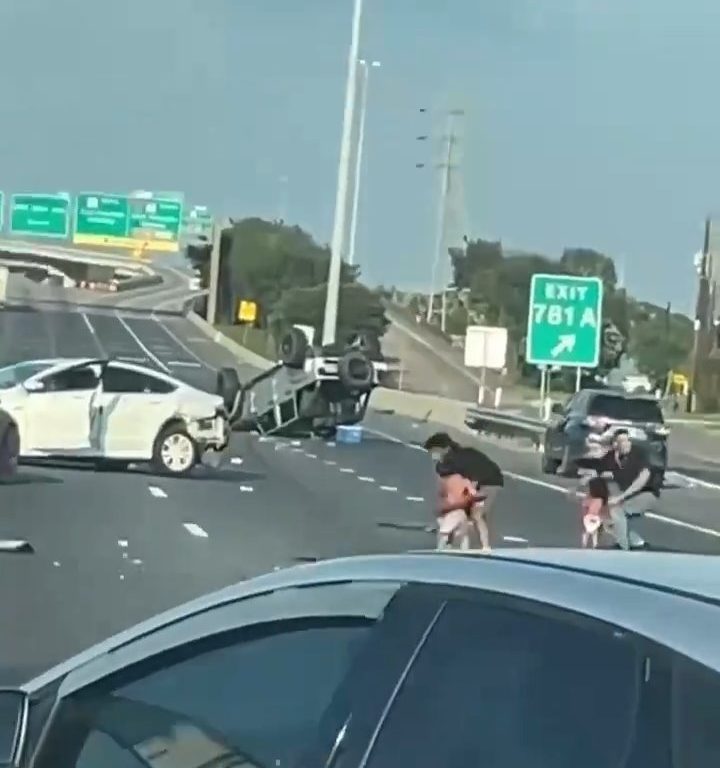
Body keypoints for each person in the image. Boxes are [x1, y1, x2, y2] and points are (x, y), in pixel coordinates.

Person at [594, 429, 662, 550]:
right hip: (627, 495)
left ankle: (623, 548)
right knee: (607, 519)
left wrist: (620, 498)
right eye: (621, 441)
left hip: (646, 494)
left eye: (627, 440)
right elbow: (597, 473)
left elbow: (642, 480)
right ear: (615, 444)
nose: (626, 443)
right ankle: (637, 543)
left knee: (617, 511)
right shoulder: (611, 458)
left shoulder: (639, 454)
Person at [434, 445, 504, 552]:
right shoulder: (456, 479)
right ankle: (480, 545)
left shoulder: (461, 476)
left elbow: (471, 492)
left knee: (476, 515)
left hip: (477, 490)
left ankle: (484, 545)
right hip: (461, 503)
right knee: (473, 517)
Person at [581, 476, 609, 549]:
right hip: (597, 518)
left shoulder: (591, 499)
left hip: (589, 517)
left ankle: (584, 545)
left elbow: (584, 505)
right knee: (595, 532)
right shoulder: (602, 500)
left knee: (587, 531)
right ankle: (595, 545)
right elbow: (604, 511)